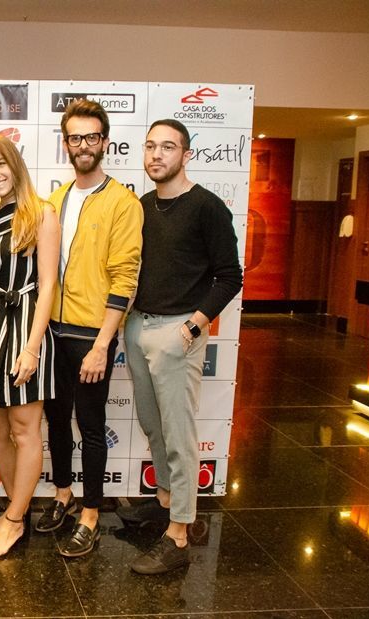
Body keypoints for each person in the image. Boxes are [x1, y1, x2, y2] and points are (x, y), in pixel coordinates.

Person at [120, 119, 243, 574]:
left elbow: (230, 276)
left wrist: (193, 326)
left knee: (179, 436)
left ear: (186, 154)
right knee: (154, 426)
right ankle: (166, 501)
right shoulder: (142, 206)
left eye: (168, 147)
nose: (157, 154)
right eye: (150, 146)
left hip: (178, 332)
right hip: (138, 327)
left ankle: (178, 536)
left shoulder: (207, 207)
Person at [37, 100, 143, 559]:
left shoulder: (123, 202)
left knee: (92, 425)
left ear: (105, 142)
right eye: (75, 137)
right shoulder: (55, 200)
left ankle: (92, 515)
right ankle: (63, 494)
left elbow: (125, 277)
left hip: (90, 336)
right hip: (52, 331)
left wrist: (103, 344)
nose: (83, 145)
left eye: (91, 137)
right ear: (66, 143)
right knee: (57, 420)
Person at [0, 134, 60, 559]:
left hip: (24, 324)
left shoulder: (41, 213)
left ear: (15, 164)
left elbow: (48, 285)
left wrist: (32, 347)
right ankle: (17, 510)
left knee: (25, 431)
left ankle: (12, 520)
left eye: (0, 164)